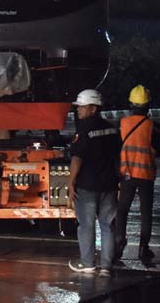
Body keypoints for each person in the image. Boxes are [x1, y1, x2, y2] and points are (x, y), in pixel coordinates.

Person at [68, 89, 122, 277]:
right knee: (108, 225)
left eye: (81, 107)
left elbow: (77, 158)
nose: (78, 111)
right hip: (109, 185)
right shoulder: (112, 129)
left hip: (87, 187)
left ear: (93, 108)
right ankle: (107, 266)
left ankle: (88, 263)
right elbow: (118, 158)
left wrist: (71, 181)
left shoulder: (83, 130)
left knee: (86, 225)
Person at [115, 84, 160, 263]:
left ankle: (119, 243)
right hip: (146, 175)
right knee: (146, 212)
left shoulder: (121, 124)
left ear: (130, 105)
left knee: (122, 210)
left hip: (126, 174)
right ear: (148, 106)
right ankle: (144, 248)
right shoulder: (154, 127)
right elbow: (159, 151)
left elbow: (115, 149)